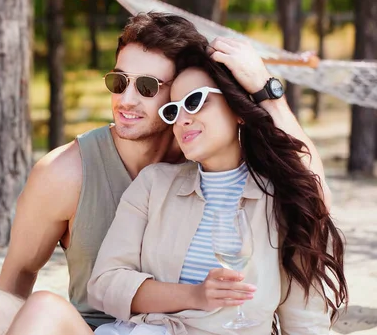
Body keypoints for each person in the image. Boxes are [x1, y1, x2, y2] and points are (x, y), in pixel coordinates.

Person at [0, 13, 334, 335]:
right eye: (119, 82)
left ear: (181, 90)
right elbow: (19, 275)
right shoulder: (65, 173)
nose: (126, 100)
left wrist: (267, 93)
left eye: (147, 87)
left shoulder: (204, 152)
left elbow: (310, 196)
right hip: (95, 328)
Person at [86, 42, 348, 334]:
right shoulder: (154, 184)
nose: (183, 118)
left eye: (196, 101)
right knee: (45, 307)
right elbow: (104, 285)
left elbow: (304, 319)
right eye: (173, 110)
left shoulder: (279, 198)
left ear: (238, 109)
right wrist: (195, 296)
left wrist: (266, 91)